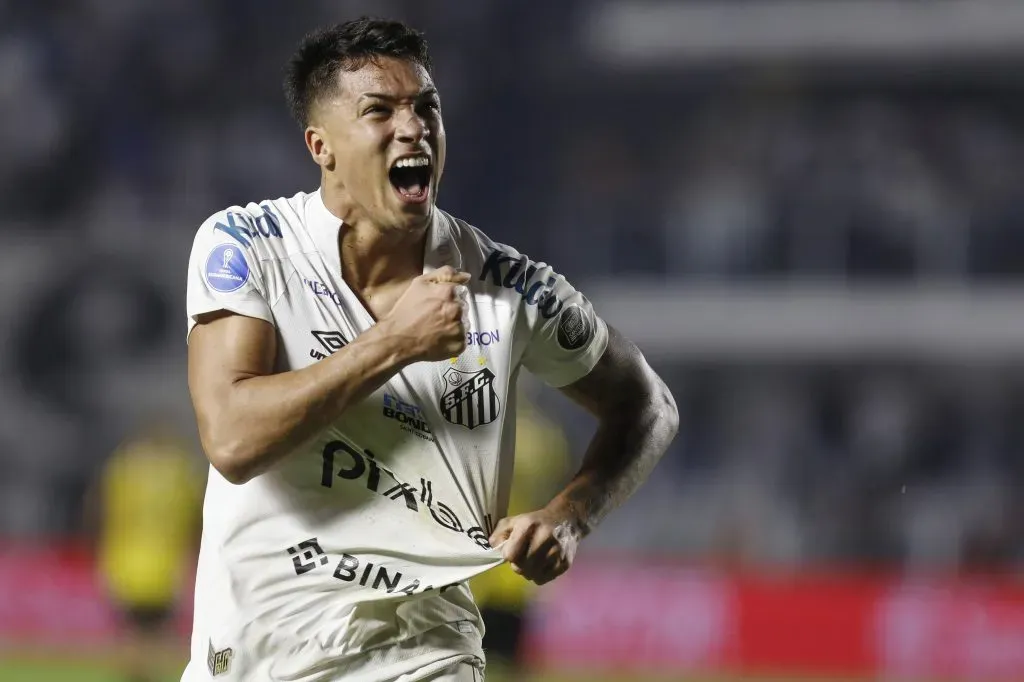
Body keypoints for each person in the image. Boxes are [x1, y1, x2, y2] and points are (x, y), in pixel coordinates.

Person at [182, 16, 678, 682]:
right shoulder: (249, 244)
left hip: (422, 658)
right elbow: (233, 440)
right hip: (252, 657)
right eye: (379, 110)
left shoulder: (509, 288)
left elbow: (649, 407)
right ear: (321, 145)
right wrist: (394, 341)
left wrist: (569, 517)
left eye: (426, 107)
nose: (413, 127)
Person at [91, 421, 203, 682]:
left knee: (131, 634)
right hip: (165, 567)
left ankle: (135, 676)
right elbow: (197, 517)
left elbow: (99, 510)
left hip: (125, 565)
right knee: (159, 635)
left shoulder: (123, 467)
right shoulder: (180, 470)